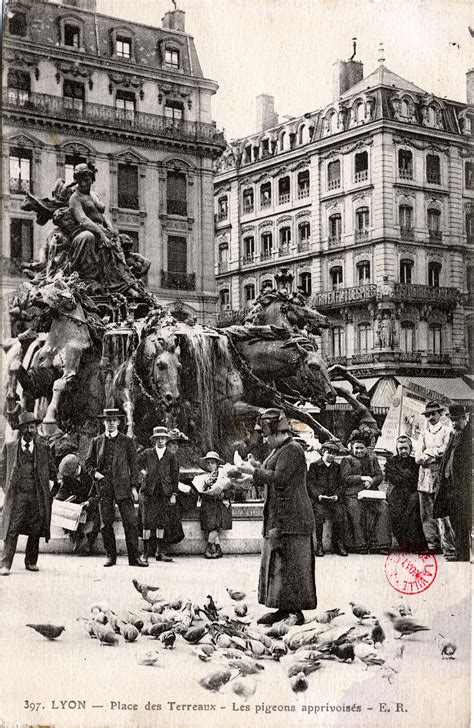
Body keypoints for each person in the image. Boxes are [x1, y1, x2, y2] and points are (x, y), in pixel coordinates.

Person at [238, 409, 316, 625]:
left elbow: (280, 478)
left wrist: (252, 472)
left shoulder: (292, 450)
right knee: (281, 565)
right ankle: (283, 609)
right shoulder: (280, 449)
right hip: (281, 516)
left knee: (292, 565)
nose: (265, 439)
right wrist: (254, 467)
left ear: (276, 433)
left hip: (293, 518)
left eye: (266, 436)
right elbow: (269, 471)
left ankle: (295, 612)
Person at [85, 408, 147, 568]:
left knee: (131, 523)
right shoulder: (96, 441)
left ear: (118, 422)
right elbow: (88, 464)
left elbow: (134, 466)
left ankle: (134, 558)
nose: (111, 423)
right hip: (104, 486)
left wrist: (134, 487)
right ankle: (110, 556)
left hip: (124, 487)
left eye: (114, 420)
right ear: (104, 422)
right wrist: (96, 474)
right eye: (108, 420)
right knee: (106, 523)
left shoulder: (127, 441)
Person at [0, 412, 56, 576]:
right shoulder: (10, 448)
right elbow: (1, 470)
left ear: (36, 429)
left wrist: (50, 493)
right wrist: (6, 488)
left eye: (32, 427)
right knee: (12, 528)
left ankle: (31, 562)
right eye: (26, 427)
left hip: (37, 495)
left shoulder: (44, 449)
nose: (29, 431)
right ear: (21, 429)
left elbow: (53, 472)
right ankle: (5, 564)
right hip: (18, 496)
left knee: (36, 529)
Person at [340, 431, 390, 554]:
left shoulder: (372, 459)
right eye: (356, 448)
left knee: (383, 508)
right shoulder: (347, 460)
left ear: (366, 449)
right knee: (356, 511)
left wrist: (372, 481)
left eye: (362, 448)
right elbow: (345, 478)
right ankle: (359, 545)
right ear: (351, 448)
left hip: (371, 493)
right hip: (353, 494)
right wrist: (362, 478)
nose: (359, 451)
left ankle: (379, 544)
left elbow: (379, 475)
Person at [434, 405, 472, 562]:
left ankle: (466, 553)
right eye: (452, 420)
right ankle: (460, 553)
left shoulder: (470, 435)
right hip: (451, 484)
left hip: (466, 484)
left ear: (465, 418)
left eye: (457, 420)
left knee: (466, 518)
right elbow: (447, 457)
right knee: (456, 517)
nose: (455, 423)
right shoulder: (453, 434)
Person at [414, 401, 452, 556]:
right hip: (424, 476)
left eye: (433, 414)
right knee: (426, 511)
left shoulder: (447, 431)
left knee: (441, 509)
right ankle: (432, 544)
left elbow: (445, 450)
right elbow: (417, 455)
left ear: (440, 414)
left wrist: (429, 453)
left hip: (439, 475)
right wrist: (425, 456)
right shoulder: (423, 434)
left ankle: (447, 545)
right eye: (428, 415)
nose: (431, 417)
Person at [137, 426, 179, 563]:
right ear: (154, 440)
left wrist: (173, 494)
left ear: (166, 439)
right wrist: (142, 471)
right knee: (146, 523)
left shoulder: (171, 456)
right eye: (158, 438)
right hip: (149, 492)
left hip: (164, 493)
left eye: (163, 438)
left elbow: (175, 477)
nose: (160, 440)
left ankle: (159, 552)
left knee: (162, 522)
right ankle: (145, 553)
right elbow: (135, 463)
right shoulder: (147, 453)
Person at [384, 436, 426, 552]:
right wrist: (407, 478)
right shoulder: (391, 462)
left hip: (411, 492)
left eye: (405, 448)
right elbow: (392, 478)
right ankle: (403, 542)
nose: (403, 451)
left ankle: (414, 543)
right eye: (400, 448)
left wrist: (404, 478)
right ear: (397, 449)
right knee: (396, 513)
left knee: (413, 509)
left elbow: (417, 479)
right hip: (396, 493)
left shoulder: (414, 462)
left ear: (410, 448)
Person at [307, 441, 348, 557]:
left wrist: (337, 496)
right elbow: (310, 484)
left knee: (340, 513)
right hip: (320, 499)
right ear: (323, 452)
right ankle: (319, 544)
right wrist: (318, 496)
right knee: (318, 514)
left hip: (333, 499)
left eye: (334, 454)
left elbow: (341, 485)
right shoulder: (315, 466)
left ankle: (338, 543)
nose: (331, 456)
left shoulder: (337, 467)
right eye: (329, 453)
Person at [55, 453, 100, 555]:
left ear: (77, 468)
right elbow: (63, 491)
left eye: (71, 475)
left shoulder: (89, 472)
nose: (70, 477)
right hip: (78, 502)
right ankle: (76, 537)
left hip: (92, 501)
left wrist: (89, 502)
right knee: (64, 509)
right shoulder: (67, 476)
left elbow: (98, 493)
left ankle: (90, 542)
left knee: (100, 512)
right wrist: (57, 500)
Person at [194, 452, 233, 559]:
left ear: (217, 464)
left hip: (219, 506)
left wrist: (222, 493)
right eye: (208, 463)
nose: (210, 465)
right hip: (208, 506)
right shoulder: (205, 478)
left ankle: (208, 548)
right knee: (210, 527)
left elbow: (232, 493)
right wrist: (203, 490)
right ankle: (218, 549)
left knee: (214, 526)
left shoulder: (223, 476)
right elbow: (201, 491)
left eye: (212, 463)